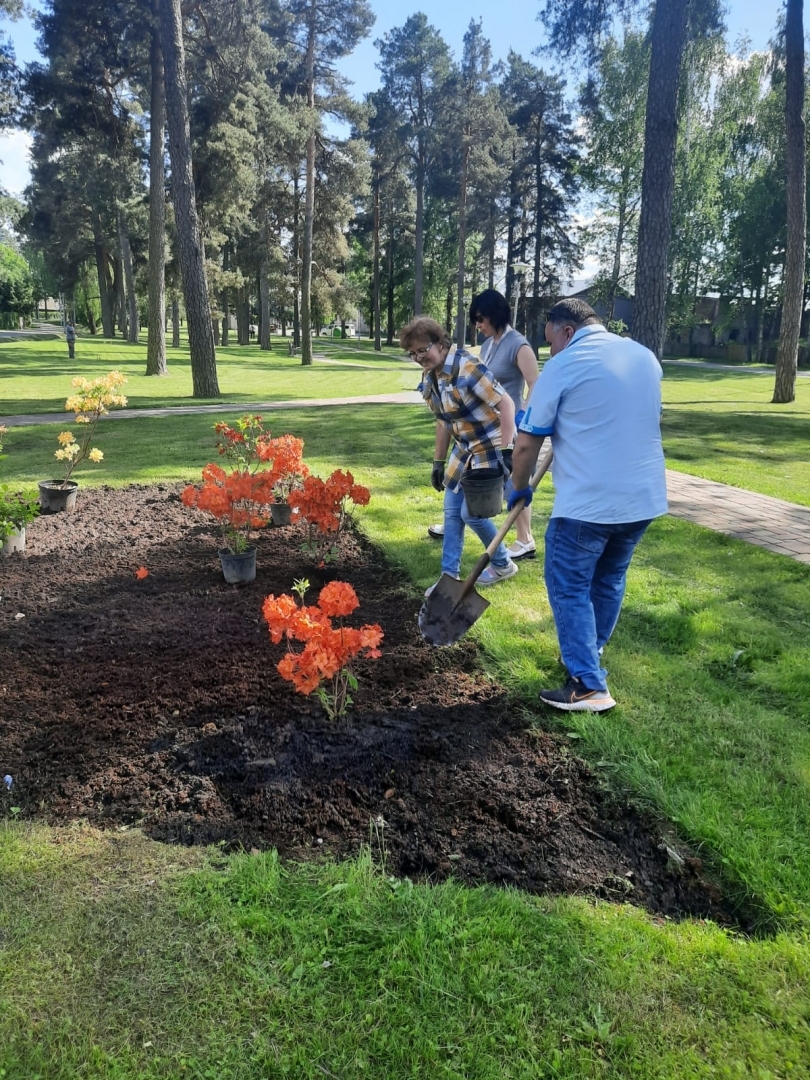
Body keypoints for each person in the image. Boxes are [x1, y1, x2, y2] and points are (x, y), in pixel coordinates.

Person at [508, 298, 667, 713]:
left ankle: (588, 686)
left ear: (567, 331)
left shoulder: (566, 363)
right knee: (609, 578)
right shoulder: (643, 356)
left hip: (589, 503)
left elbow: (526, 441)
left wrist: (518, 487)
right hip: (644, 498)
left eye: (550, 342)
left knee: (569, 585)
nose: (549, 353)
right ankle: (586, 655)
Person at [401, 316, 518, 596]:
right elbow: (443, 421)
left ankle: (503, 564)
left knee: (473, 514)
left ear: (441, 343)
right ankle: (448, 579)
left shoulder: (467, 367)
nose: (418, 357)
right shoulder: (432, 376)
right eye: (412, 353)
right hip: (464, 448)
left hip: (490, 445)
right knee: (452, 513)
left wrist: (507, 451)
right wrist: (438, 461)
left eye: (422, 350)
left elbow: (507, 403)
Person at [427, 289, 540, 560]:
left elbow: (535, 381)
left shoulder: (518, 344)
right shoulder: (490, 344)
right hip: (485, 427)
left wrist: (525, 417)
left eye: (481, 318)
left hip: (511, 424)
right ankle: (457, 519)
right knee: (480, 483)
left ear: (495, 314)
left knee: (514, 482)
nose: (478, 325)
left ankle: (525, 540)